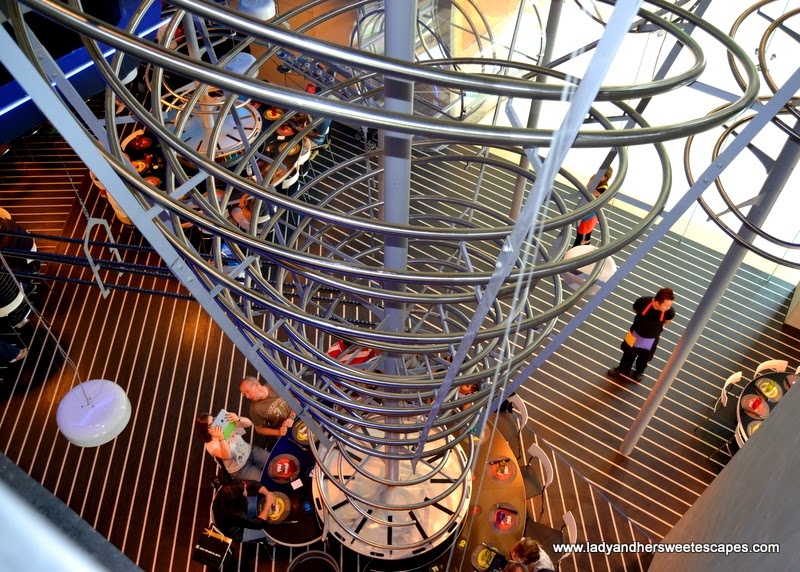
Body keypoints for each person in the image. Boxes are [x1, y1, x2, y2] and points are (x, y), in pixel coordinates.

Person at [608, 287, 676, 382]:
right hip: (634, 335)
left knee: (644, 359)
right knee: (627, 354)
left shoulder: (669, 312)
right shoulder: (643, 302)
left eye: (670, 305)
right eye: (666, 305)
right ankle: (622, 369)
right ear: (657, 302)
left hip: (650, 340)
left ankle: (639, 371)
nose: (669, 307)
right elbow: (635, 310)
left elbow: (667, 321)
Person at [194, 412, 269, 481]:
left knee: (276, 462)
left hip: (251, 451)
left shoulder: (224, 424)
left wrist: (238, 418)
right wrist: (221, 438)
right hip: (240, 469)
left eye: (214, 419)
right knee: (265, 481)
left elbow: (249, 424)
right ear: (206, 430)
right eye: (211, 424)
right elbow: (227, 456)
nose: (215, 423)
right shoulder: (210, 444)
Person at [239, 376, 295, 449]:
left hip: (300, 418)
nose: (247, 396)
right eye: (244, 394)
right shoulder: (254, 409)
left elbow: (296, 398)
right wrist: (278, 432)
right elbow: (259, 429)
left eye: (247, 391)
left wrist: (291, 417)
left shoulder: (275, 384)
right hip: (286, 434)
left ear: (256, 384)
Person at [573, 166, 613, 247]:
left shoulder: (603, 188)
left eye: (601, 175)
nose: (598, 175)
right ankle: (579, 248)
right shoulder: (598, 183)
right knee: (582, 232)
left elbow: (588, 192)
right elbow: (587, 191)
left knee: (582, 234)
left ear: (606, 178)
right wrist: (591, 181)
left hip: (592, 213)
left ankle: (576, 250)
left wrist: (591, 181)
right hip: (589, 210)